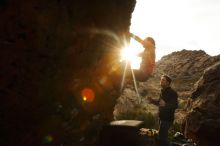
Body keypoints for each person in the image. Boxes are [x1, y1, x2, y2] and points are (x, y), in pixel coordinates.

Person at [147, 75, 178, 146]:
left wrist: (166, 105)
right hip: (161, 118)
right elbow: (159, 102)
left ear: (168, 83)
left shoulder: (172, 93)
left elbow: (175, 105)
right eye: (161, 79)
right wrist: (152, 101)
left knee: (162, 138)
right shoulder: (162, 91)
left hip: (167, 119)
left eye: (163, 80)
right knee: (161, 137)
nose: (161, 81)